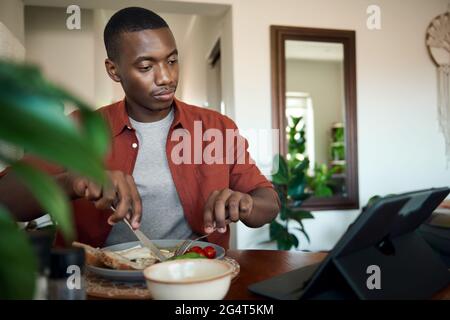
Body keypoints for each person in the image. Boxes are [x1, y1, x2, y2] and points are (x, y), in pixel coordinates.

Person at [0, 7, 279, 249]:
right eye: (146, 67)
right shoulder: (79, 129)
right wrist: (73, 181)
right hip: (97, 283)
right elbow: (6, 201)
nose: (166, 77)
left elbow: (268, 200)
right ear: (114, 70)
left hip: (194, 277)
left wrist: (246, 204)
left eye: (172, 60)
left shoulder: (216, 128)